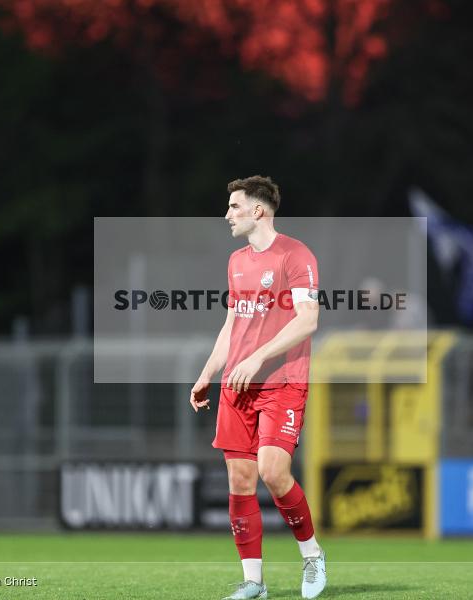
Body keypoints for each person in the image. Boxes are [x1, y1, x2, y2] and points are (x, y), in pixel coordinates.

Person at [190, 175, 326, 600]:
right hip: (237, 385)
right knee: (241, 479)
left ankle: (312, 555)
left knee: (273, 472)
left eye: (234, 206)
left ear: (258, 210)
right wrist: (208, 372)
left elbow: (308, 319)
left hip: (282, 382)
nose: (227, 214)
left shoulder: (296, 255)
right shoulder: (236, 261)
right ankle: (254, 582)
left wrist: (257, 358)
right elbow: (232, 325)